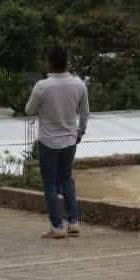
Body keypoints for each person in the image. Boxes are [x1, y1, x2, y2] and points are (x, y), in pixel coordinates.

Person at [25, 46, 89, 240]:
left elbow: (29, 110)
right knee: (66, 179)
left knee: (50, 183)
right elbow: (84, 113)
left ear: (50, 63)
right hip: (70, 139)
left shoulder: (42, 86)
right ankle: (73, 222)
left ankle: (57, 225)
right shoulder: (79, 84)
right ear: (66, 62)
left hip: (48, 141)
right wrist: (80, 132)